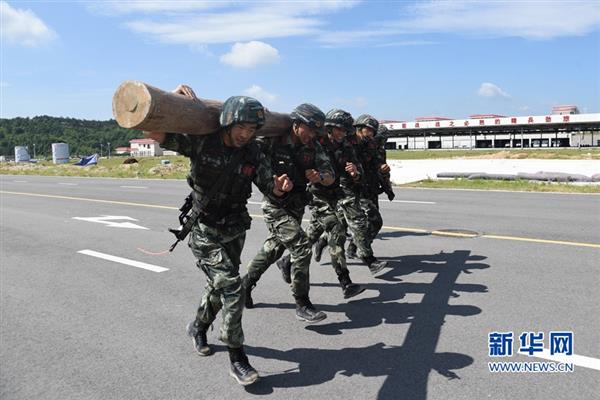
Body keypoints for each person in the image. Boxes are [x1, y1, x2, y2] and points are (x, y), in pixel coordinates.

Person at [145, 85, 290, 386]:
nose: (246, 134)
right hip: (204, 228)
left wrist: (280, 187)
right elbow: (154, 132)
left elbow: (268, 186)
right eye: (241, 127)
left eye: (252, 129)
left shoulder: (253, 151)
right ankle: (237, 357)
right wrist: (166, 102)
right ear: (228, 122)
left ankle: (198, 326)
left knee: (219, 285)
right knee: (232, 288)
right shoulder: (202, 143)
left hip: (234, 227)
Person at [244, 103, 334, 323]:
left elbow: (330, 174)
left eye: (315, 131)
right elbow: (248, 150)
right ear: (296, 125)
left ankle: (244, 285)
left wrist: (320, 177)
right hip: (274, 204)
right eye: (309, 129)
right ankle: (302, 303)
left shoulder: (313, 147)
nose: (312, 134)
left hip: (296, 205)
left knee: (273, 249)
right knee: (302, 248)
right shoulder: (271, 142)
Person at [275, 108, 366, 299]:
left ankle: (287, 261)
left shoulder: (345, 147)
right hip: (315, 194)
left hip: (333, 193)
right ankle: (345, 282)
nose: (342, 134)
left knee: (312, 234)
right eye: (338, 129)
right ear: (330, 128)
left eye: (345, 131)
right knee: (336, 230)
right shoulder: (316, 142)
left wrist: (355, 173)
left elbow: (357, 170)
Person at [345, 114, 391, 260]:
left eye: (373, 132)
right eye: (369, 130)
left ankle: (355, 248)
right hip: (353, 189)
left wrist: (383, 171)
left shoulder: (372, 147)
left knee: (370, 221)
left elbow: (376, 166)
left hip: (369, 188)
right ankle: (363, 252)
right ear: (359, 128)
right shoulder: (349, 144)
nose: (371, 135)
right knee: (336, 227)